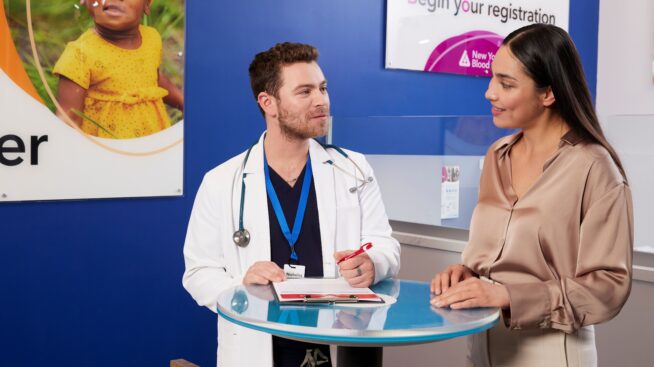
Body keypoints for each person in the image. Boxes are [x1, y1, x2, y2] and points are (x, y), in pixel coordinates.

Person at [182, 42, 400, 367]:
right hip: (262, 347)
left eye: (323, 88)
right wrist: (239, 285)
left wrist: (374, 263)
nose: (321, 100)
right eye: (305, 91)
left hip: (340, 342)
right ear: (268, 103)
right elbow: (198, 272)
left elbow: (386, 245)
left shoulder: (354, 169)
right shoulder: (222, 181)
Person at [430, 24, 633, 367]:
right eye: (492, 78)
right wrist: (468, 273)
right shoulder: (497, 156)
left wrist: (509, 295)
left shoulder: (594, 168)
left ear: (548, 94)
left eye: (506, 84)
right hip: (482, 342)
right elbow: (501, 253)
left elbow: (608, 287)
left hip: (551, 350)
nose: (489, 93)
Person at [53, 0, 183, 139]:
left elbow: (153, 78)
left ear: (147, 5)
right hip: (108, 150)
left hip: (151, 139)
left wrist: (185, 103)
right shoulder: (80, 54)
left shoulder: (152, 39)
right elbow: (68, 119)